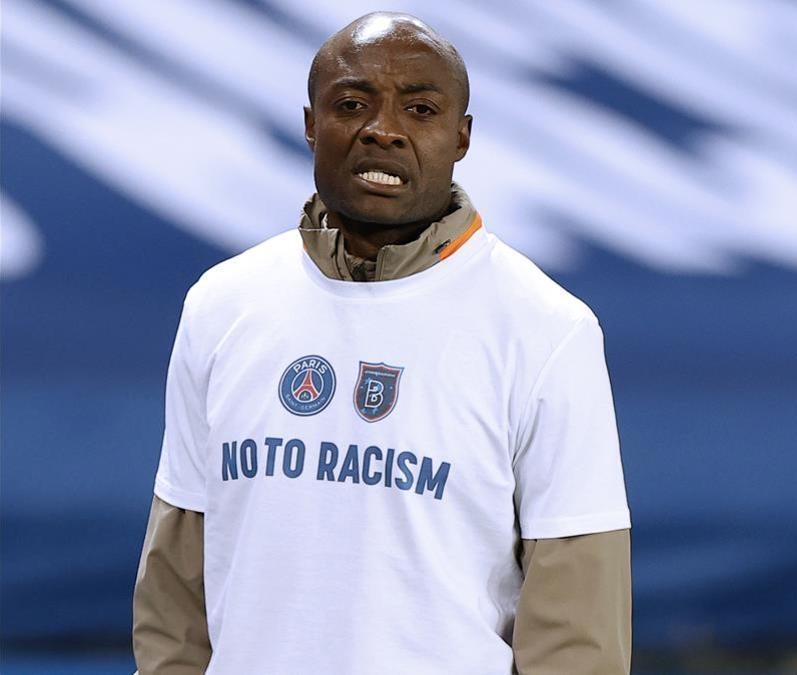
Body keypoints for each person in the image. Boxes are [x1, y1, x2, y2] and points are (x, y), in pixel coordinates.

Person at [132, 12, 631, 674]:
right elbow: (176, 586)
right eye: (351, 104)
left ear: (461, 137)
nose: (383, 129)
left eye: (419, 108)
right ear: (311, 123)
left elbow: (577, 630)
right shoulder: (222, 305)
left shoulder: (547, 329)